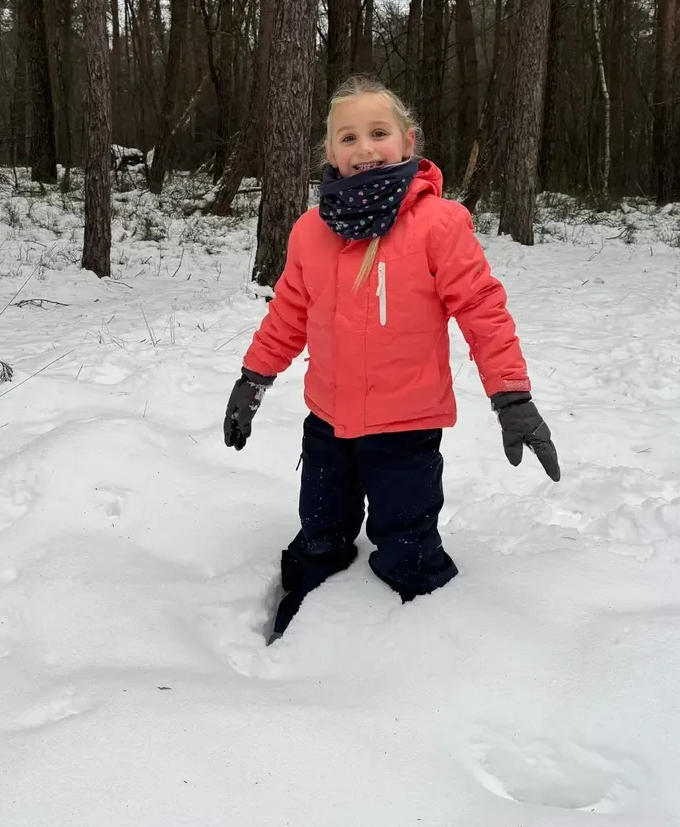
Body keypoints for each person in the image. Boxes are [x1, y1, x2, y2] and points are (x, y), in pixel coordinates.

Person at [224, 75, 559, 642]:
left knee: (407, 541)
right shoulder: (311, 231)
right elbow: (287, 315)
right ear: (329, 152)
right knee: (321, 528)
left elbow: (482, 310)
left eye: (378, 132)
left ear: (409, 141)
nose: (364, 148)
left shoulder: (439, 224)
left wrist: (512, 397)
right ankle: (308, 592)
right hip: (328, 421)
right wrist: (253, 379)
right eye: (347, 138)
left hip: (407, 428)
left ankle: (424, 637)